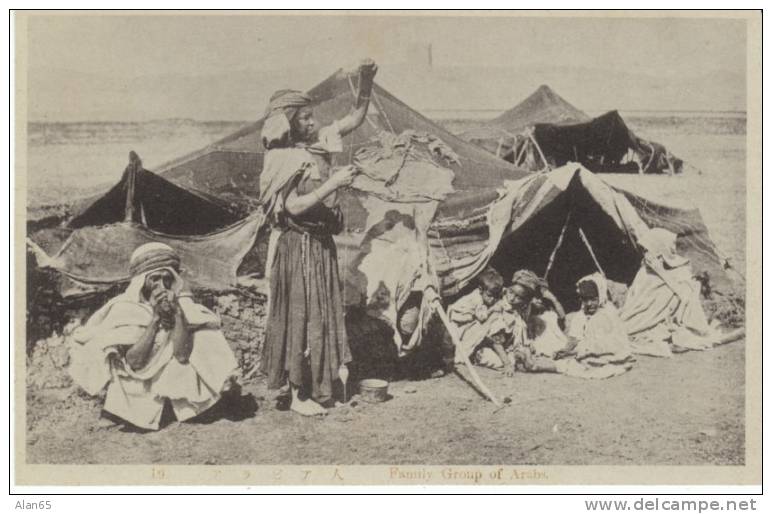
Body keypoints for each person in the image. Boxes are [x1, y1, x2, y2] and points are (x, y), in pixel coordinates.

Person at [258, 59, 378, 416]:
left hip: (319, 247)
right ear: (290, 126)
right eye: (305, 119)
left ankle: (315, 383)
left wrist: (366, 82)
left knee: (320, 314)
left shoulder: (321, 144)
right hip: (298, 249)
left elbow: (355, 118)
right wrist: (333, 184)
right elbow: (293, 207)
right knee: (300, 316)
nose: (313, 123)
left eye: (312, 117)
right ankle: (297, 394)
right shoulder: (284, 159)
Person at [68, 243, 238, 431]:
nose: (161, 285)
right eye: (154, 279)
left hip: (171, 375)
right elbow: (134, 363)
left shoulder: (182, 303)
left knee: (206, 334)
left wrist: (177, 313)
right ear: (142, 281)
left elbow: (182, 355)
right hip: (137, 378)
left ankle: (185, 406)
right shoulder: (125, 308)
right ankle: (127, 412)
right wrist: (156, 319)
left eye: (166, 279)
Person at [619, 228, 717, 357]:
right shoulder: (645, 270)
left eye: (648, 250)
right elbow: (634, 300)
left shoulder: (681, 271)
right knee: (620, 329)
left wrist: (661, 272)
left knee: (624, 332)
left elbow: (685, 298)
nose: (645, 254)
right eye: (644, 250)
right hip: (641, 317)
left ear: (661, 250)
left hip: (664, 319)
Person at [556, 273, 635, 378]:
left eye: (593, 299)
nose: (589, 304)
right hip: (585, 353)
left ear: (600, 297)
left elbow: (611, 344)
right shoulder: (581, 315)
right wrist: (565, 350)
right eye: (585, 300)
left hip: (608, 355)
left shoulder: (609, 313)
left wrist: (580, 351)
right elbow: (574, 338)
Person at [444, 268, 509, 373]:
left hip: (464, 322)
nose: (492, 299)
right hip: (458, 323)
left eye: (495, 297)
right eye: (489, 296)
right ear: (480, 289)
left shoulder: (482, 296)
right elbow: (481, 316)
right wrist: (492, 309)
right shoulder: (476, 299)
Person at [506, 269, 568, 372]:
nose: (539, 301)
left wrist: (553, 299)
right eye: (536, 298)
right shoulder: (525, 309)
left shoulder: (549, 314)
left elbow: (562, 318)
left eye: (541, 299)